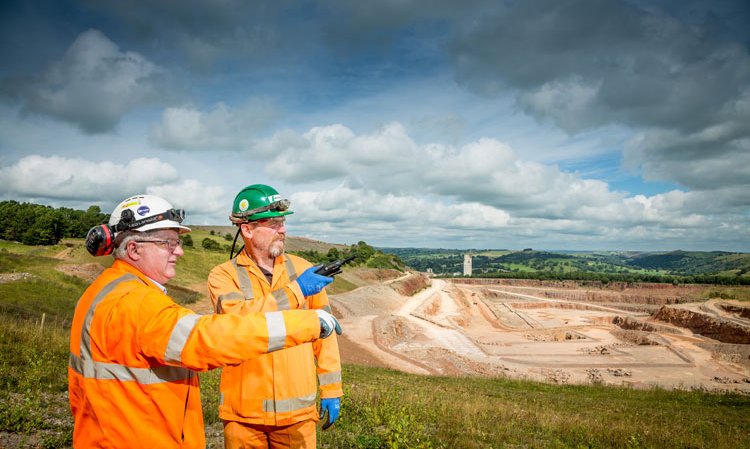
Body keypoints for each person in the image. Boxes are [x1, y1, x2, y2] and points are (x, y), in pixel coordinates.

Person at [68, 194, 342, 449]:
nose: (179, 252)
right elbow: (213, 335)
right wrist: (304, 315)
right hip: (228, 414)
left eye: (178, 242)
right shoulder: (142, 300)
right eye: (168, 243)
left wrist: (331, 387)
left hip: (296, 410)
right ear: (134, 249)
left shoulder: (105, 288)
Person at [207, 184, 343, 449]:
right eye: (273, 223)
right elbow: (239, 324)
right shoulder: (223, 276)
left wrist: (332, 389)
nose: (282, 230)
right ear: (247, 229)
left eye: (282, 222)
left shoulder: (303, 269)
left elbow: (325, 336)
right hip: (243, 416)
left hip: (298, 415)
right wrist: (297, 290)